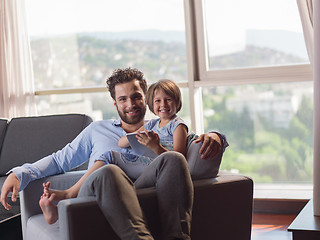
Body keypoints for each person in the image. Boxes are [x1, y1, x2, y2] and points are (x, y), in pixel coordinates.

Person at [0, 68, 227, 240]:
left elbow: (187, 144)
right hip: (97, 190)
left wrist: (217, 136)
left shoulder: (160, 129)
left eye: (136, 96)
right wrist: (20, 173)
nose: (131, 104)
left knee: (173, 158)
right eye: (123, 99)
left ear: (146, 97)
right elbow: (60, 159)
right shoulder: (98, 129)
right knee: (109, 170)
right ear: (114, 102)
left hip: (141, 191)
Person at [39, 79, 189, 225]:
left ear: (177, 101)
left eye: (168, 100)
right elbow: (121, 142)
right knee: (109, 155)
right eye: (158, 101)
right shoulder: (153, 124)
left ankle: (69, 195)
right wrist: (133, 138)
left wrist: (155, 146)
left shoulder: (177, 125)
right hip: (143, 166)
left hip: (156, 170)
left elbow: (177, 161)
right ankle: (62, 206)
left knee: (110, 175)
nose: (163, 105)